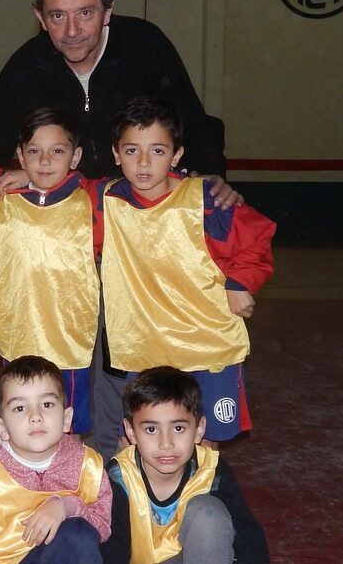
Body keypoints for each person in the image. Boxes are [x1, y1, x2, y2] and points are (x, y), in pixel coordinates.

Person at [99, 97, 276, 451]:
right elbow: (56, 190)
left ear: (177, 155)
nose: (144, 162)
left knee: (206, 437)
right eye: (132, 150)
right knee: (139, 435)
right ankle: (134, 487)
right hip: (145, 347)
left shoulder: (206, 201)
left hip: (207, 347)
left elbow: (256, 236)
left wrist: (239, 282)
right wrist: (26, 172)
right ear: (116, 154)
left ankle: (201, 486)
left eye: (158, 151)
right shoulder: (105, 200)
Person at [0, 0, 226, 181]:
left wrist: (212, 174)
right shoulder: (26, 67)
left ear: (107, 10)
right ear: (40, 17)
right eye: (58, 16)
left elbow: (192, 123)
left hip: (141, 208)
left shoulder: (145, 47)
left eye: (85, 13)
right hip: (68, 213)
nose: (72, 31)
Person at [0, 107, 101, 437]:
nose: (45, 161)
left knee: (68, 425)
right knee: (22, 419)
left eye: (57, 151)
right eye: (35, 152)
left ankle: (69, 470)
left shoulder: (92, 200)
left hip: (70, 344)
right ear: (20, 156)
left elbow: (138, 185)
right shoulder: (1, 194)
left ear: (76, 156)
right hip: (17, 339)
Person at [0, 356, 112, 564]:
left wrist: (66, 506)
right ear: (2, 428)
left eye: (47, 404)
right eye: (20, 408)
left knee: (78, 536)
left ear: (67, 419)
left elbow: (103, 527)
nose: (35, 416)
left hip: (55, 555)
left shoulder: (88, 466)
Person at [101, 367, 268, 563]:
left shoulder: (210, 471)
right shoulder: (119, 478)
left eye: (178, 428)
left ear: (199, 430)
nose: (166, 443)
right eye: (151, 429)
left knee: (207, 514)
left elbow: (250, 541)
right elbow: (110, 553)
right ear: (131, 433)